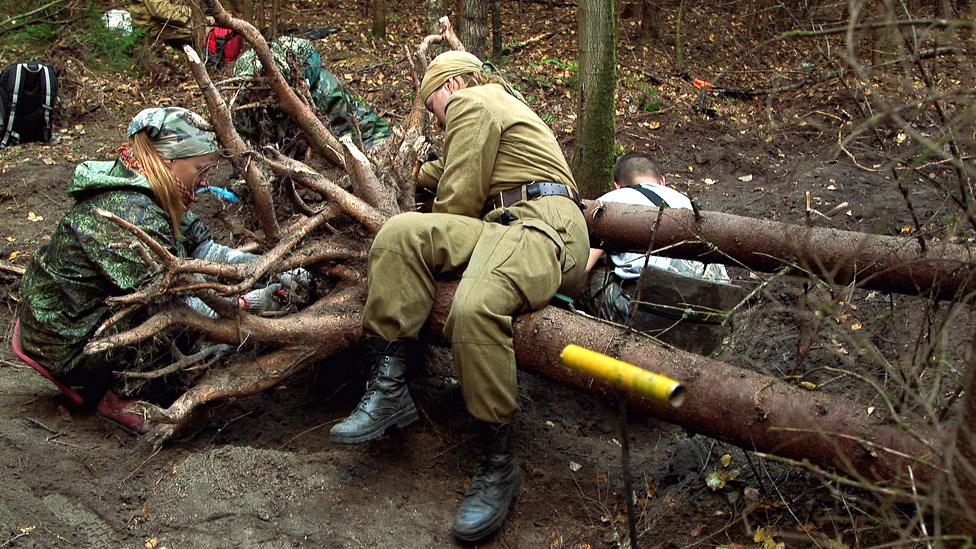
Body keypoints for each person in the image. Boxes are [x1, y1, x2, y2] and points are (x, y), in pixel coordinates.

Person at [328, 51, 589, 542]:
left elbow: (457, 200)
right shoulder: (500, 108)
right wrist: (425, 171)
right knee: (399, 234)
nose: (436, 116)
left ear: (451, 86)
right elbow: (460, 177)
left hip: (540, 224)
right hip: (504, 223)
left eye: (433, 106)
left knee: (474, 305)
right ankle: (390, 389)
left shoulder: (475, 101)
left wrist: (434, 182)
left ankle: (498, 460)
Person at [17, 107, 302, 434]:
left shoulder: (158, 191)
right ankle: (122, 399)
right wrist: (251, 302)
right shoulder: (130, 212)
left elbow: (205, 253)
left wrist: (275, 266)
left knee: (201, 325)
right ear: (170, 162)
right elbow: (174, 302)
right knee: (178, 325)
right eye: (201, 168)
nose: (207, 178)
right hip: (66, 342)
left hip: (86, 318)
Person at [579, 151, 738, 355]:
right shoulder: (688, 204)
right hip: (713, 319)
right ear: (663, 181)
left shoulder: (609, 202)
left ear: (617, 185)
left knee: (590, 266)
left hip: (650, 319)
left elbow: (582, 265)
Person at [233, 36, 392, 152]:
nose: (255, 96)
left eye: (261, 88)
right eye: (251, 89)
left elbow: (344, 146)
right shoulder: (247, 95)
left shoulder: (325, 93)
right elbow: (244, 141)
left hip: (370, 139)